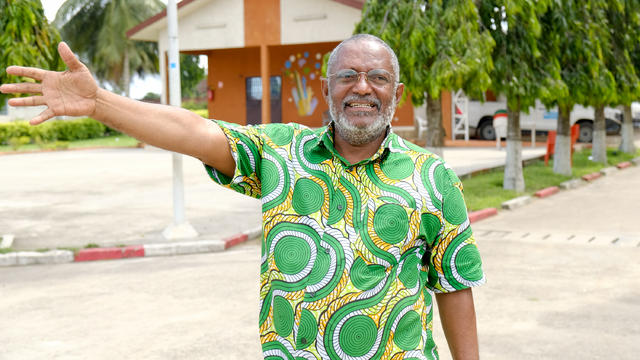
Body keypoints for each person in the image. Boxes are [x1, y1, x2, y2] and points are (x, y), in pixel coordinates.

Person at [1, 34, 484, 360]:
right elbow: (192, 129)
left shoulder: (433, 177)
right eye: (347, 76)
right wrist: (101, 103)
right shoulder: (280, 153)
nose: (362, 88)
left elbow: (454, 285)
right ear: (326, 89)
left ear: (396, 92)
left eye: (377, 78)